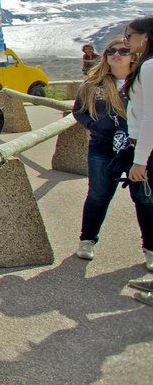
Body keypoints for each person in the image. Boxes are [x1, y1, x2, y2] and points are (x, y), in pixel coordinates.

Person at [72, 38, 132, 262]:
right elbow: (79, 110)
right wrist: (94, 126)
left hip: (137, 147)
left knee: (146, 199)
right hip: (103, 146)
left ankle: (150, 248)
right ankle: (87, 240)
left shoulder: (141, 82)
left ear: (133, 55)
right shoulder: (92, 84)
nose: (116, 54)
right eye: (111, 51)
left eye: (123, 51)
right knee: (98, 194)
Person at [122, 17, 153, 306]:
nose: (126, 40)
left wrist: (140, 160)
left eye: (130, 35)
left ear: (146, 37)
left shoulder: (149, 66)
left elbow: (150, 117)